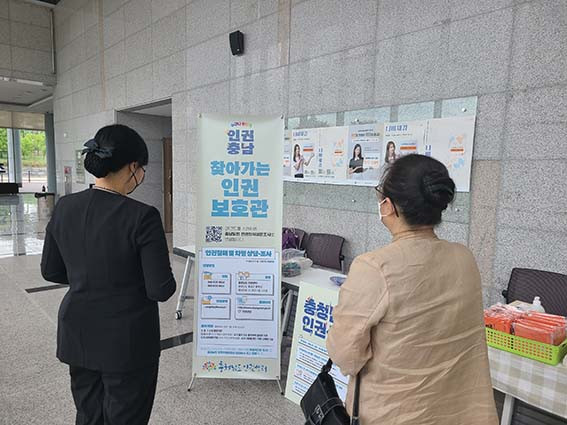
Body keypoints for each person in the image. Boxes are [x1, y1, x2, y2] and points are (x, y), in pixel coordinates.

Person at [327, 154, 498, 425]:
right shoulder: (464, 257)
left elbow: (345, 355)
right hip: (461, 410)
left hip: (394, 413)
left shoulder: (374, 267)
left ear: (389, 206)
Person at [41, 124, 176, 425]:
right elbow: (160, 289)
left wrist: (87, 275)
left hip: (77, 334)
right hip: (128, 343)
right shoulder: (143, 216)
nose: (142, 176)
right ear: (132, 167)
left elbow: (51, 270)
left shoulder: (65, 207)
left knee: (88, 416)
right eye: (142, 169)